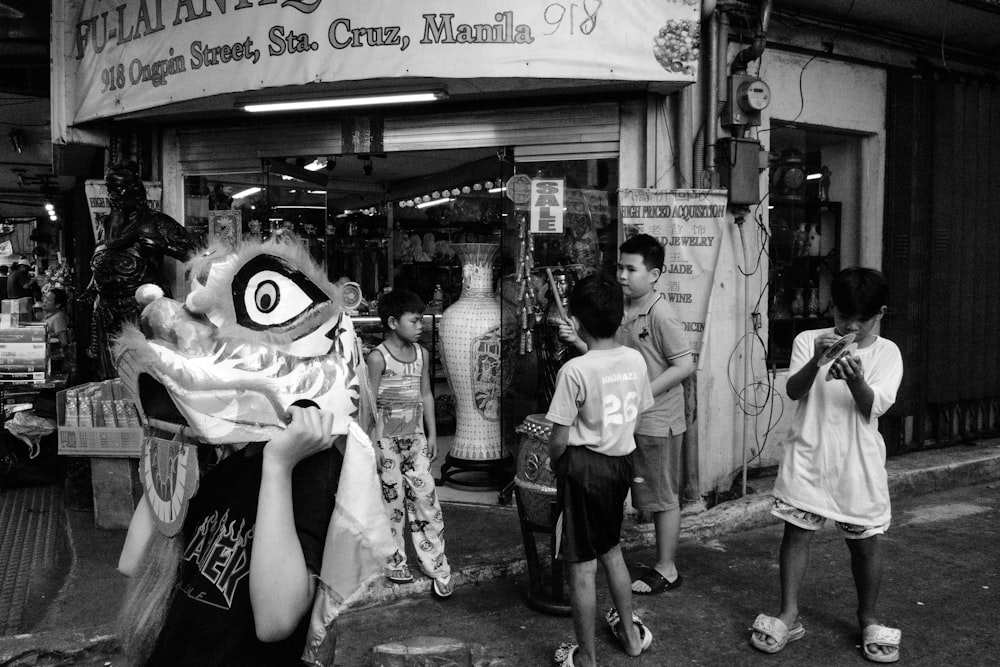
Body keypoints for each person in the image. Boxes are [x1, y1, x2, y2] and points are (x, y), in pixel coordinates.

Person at [750, 267, 904, 663]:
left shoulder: (888, 353)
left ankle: (867, 616)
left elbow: (874, 408)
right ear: (830, 309)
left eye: (861, 321)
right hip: (810, 455)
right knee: (796, 535)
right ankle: (788, 612)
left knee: (865, 544)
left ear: (881, 313)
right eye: (841, 317)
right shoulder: (808, 340)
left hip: (857, 464)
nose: (850, 327)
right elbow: (793, 390)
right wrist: (817, 361)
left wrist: (856, 380)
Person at [118, 406, 343, 666]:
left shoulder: (314, 472)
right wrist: (165, 441)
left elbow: (275, 621)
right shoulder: (228, 467)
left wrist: (278, 467)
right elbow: (135, 562)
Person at [560, 233, 695, 595]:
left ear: (653, 275)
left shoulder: (662, 314)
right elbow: (614, 353)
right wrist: (580, 342)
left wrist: (639, 392)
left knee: (662, 496)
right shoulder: (622, 307)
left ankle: (667, 568)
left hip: (658, 419)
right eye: (619, 267)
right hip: (629, 417)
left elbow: (684, 365)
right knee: (637, 492)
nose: (621, 275)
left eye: (631, 269)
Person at [546, 274, 655, 667]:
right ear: (620, 315)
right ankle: (630, 637)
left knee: (581, 567)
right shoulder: (634, 359)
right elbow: (639, 413)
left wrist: (561, 464)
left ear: (575, 322)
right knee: (611, 550)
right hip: (620, 464)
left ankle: (587, 658)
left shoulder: (575, 370)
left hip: (585, 467)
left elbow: (558, 438)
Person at [367, 288, 453, 598]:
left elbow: (426, 395)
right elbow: (369, 404)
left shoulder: (422, 355)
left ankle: (435, 563)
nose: (421, 326)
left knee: (427, 501)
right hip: (387, 443)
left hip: (415, 441)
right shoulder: (377, 358)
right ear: (392, 322)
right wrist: (374, 444)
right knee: (391, 507)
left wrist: (432, 434)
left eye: (421, 320)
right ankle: (394, 559)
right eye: (414, 321)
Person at [84, 160, 195, 379]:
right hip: (106, 310)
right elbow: (101, 255)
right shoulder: (106, 225)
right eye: (111, 190)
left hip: (140, 310)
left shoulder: (155, 223)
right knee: (111, 374)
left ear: (135, 190)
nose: (114, 195)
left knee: (143, 374)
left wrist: (164, 246)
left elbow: (196, 253)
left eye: (119, 189)